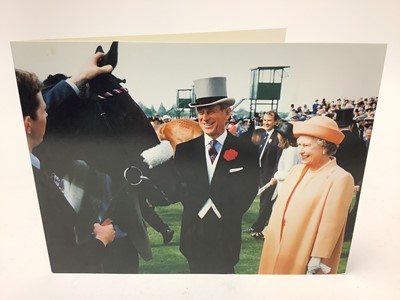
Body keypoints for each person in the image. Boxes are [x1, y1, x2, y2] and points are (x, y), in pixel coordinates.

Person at [15, 69, 115, 273]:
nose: (48, 114)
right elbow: (62, 263)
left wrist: (81, 76)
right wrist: (101, 241)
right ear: (28, 124)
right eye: (44, 110)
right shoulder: (33, 186)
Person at [171, 77, 259, 273]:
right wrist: (200, 207)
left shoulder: (246, 151)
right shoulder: (185, 150)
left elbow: (249, 188)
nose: (204, 117)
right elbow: (178, 185)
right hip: (193, 234)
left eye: (210, 111)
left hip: (226, 234)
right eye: (200, 112)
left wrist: (221, 210)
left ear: (227, 112)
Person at [258, 116, 354, 274]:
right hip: (276, 243)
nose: (300, 150)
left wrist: (318, 256)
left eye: (306, 146)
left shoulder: (340, 178)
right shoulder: (296, 170)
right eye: (299, 145)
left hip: (303, 248)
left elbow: (331, 225)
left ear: (325, 147)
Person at [246, 110, 282, 239]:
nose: (266, 123)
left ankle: (258, 227)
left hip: (269, 174)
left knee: (266, 201)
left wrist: (275, 176)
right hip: (259, 173)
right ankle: (259, 225)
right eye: (264, 120)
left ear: (276, 122)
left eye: (269, 120)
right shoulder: (263, 134)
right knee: (261, 199)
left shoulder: (278, 136)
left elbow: (278, 159)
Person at [334, 108, 368, 241]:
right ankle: (344, 234)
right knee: (344, 209)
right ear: (351, 125)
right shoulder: (358, 141)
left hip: (332, 178)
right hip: (350, 180)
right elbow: (361, 163)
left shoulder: (334, 140)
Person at [268, 121, 302, 201]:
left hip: (287, 189)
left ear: (283, 136)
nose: (277, 136)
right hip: (284, 187)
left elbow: (288, 174)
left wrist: (276, 175)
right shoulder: (288, 149)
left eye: (278, 134)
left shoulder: (292, 151)